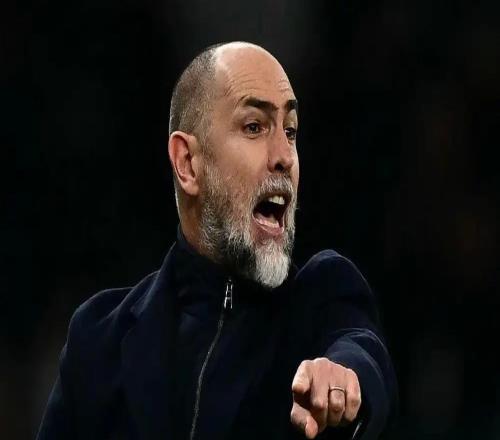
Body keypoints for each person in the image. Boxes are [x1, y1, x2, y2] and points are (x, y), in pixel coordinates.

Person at [37, 41, 397, 440]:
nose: (284, 156)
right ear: (188, 163)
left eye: (291, 131)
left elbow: (360, 345)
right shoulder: (99, 339)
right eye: (254, 127)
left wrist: (344, 376)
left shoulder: (321, 299)